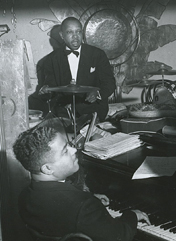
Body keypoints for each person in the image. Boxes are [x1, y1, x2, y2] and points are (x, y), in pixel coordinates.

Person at [13, 125, 150, 241]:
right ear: (48, 168)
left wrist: (88, 202)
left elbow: (65, 208)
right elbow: (119, 235)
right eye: (65, 151)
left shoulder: (24, 196)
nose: (74, 150)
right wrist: (132, 215)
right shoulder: (84, 206)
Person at [29, 17, 116, 122]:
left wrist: (97, 93)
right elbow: (51, 86)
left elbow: (110, 83)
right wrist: (46, 90)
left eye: (78, 31)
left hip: (93, 110)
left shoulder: (97, 54)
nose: (75, 36)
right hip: (64, 112)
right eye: (70, 32)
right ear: (62, 35)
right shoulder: (52, 59)